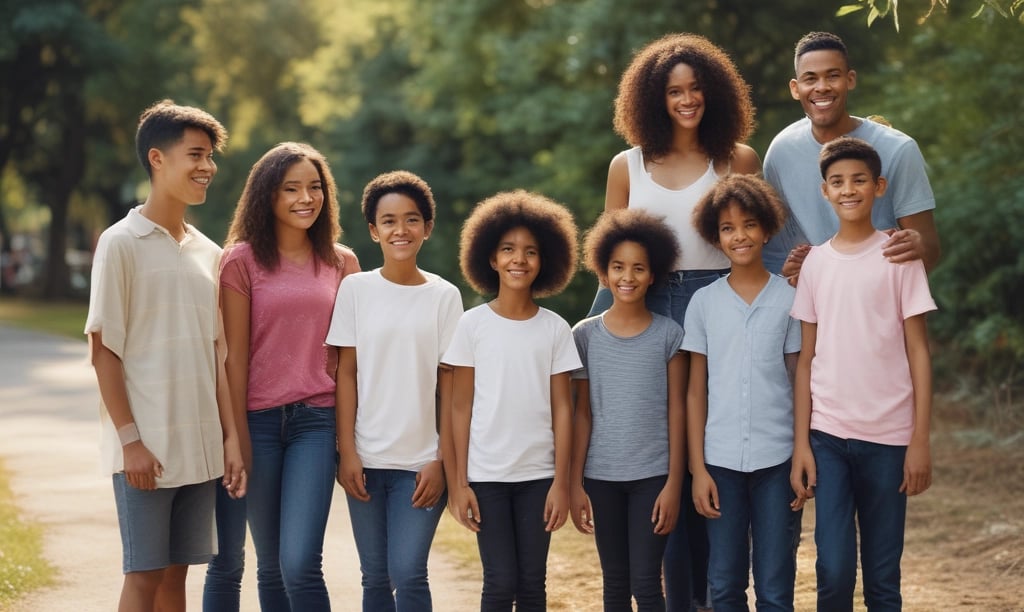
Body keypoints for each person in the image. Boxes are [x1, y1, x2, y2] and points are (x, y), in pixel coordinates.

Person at [590, 32, 761, 611]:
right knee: (665, 454)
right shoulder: (627, 165)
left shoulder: (737, 159)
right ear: (653, 99)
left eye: (695, 89)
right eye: (673, 91)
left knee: (708, 455)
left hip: (720, 307)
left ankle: (720, 594)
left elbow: (754, 241)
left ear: (713, 92)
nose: (686, 99)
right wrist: (583, 342)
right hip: (652, 309)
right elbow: (610, 262)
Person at [85, 99, 245, 612]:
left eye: (211, 156)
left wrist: (229, 439)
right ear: (157, 158)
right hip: (145, 452)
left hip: (198, 450)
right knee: (144, 576)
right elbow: (104, 350)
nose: (208, 167)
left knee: (177, 578)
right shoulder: (120, 243)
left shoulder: (210, 253)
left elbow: (216, 356)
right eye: (195, 154)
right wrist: (131, 441)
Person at [790, 137, 936, 610]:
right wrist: (801, 445)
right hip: (828, 435)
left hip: (890, 439)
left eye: (858, 181)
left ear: (879, 187)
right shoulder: (814, 264)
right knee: (832, 570)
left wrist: (919, 441)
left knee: (881, 576)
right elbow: (806, 358)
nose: (848, 189)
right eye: (837, 182)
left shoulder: (899, 256)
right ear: (824, 191)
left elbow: (918, 350)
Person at [215, 142, 359, 611]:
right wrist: (234, 439)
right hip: (257, 422)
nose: (306, 198)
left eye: (315, 187)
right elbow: (233, 358)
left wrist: (348, 441)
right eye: (291, 188)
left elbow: (352, 361)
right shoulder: (241, 261)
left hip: (315, 423)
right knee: (271, 565)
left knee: (300, 563)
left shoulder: (343, 263)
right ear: (267, 196)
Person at [325, 170, 463, 611]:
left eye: (411, 219)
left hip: (420, 466)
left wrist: (441, 459)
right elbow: (346, 374)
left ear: (427, 227)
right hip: (364, 461)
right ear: (373, 229)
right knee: (375, 579)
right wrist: (347, 452)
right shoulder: (355, 289)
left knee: (408, 572)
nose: (400, 230)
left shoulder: (444, 296)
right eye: (388, 220)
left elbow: (452, 388)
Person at [442, 190, 581, 612]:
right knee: (499, 584)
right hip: (486, 477)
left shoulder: (556, 329)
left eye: (530, 252)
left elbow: (564, 410)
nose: (519, 259)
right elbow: (458, 408)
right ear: (490, 258)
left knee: (532, 585)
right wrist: (458, 482)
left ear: (545, 261)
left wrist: (561, 483)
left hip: (539, 477)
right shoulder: (472, 325)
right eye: (508, 250)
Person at [685, 174, 802, 612]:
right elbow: (696, 392)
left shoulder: (789, 298)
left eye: (749, 224)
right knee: (725, 583)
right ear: (716, 237)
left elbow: (798, 379)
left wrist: (801, 453)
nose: (740, 236)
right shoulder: (704, 304)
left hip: (778, 460)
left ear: (767, 228)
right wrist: (698, 469)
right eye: (728, 228)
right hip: (720, 464)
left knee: (775, 586)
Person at [569, 208, 686, 611]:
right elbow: (581, 413)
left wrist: (674, 484)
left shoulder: (670, 335)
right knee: (615, 584)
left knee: (647, 583)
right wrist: (574, 482)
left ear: (653, 275)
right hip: (600, 478)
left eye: (638, 268)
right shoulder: (584, 336)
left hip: (653, 477)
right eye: (618, 267)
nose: (628, 277)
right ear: (603, 272)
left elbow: (677, 412)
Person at [763, 31, 940, 279]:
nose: (822, 87)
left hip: (880, 300)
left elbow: (929, 249)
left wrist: (913, 247)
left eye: (833, 76)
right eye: (810, 78)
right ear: (795, 88)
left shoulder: (898, 149)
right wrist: (789, 275)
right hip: (809, 305)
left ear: (850, 79)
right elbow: (774, 253)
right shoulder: (781, 151)